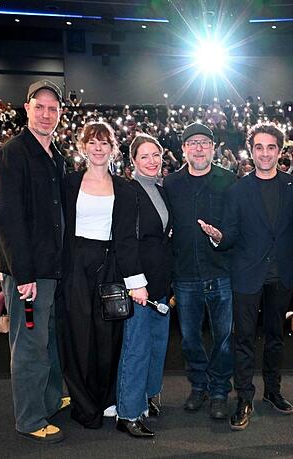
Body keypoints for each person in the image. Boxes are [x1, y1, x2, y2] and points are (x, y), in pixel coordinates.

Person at [198, 123, 293, 430]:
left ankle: (273, 391)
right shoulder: (237, 189)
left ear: (280, 151)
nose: (265, 153)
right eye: (259, 147)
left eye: (271, 147)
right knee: (243, 339)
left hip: (281, 274)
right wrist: (218, 237)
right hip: (246, 274)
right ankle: (244, 397)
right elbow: (230, 234)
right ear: (251, 150)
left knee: (276, 338)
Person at [0, 80, 69, 443]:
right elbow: (7, 217)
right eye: (39, 106)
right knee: (29, 346)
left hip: (52, 269)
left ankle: (51, 398)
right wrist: (22, 273)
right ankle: (30, 417)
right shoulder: (14, 152)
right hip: (29, 272)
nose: (46, 113)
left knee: (49, 339)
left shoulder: (57, 156)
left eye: (53, 108)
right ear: (26, 109)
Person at [59, 121, 146, 431]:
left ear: (113, 148)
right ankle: (84, 405)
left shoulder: (124, 188)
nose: (98, 148)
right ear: (83, 147)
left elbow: (126, 238)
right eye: (92, 143)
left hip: (109, 266)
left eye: (104, 143)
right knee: (77, 336)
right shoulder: (68, 183)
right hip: (74, 267)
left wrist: (136, 281)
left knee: (108, 337)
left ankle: (107, 398)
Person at [163, 122, 236, 421]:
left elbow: (235, 226)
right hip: (185, 274)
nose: (198, 148)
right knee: (190, 338)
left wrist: (222, 236)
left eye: (204, 142)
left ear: (213, 147)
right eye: (192, 143)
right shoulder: (170, 183)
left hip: (221, 271)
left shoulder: (229, 180)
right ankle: (199, 386)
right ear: (183, 149)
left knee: (223, 339)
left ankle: (219, 390)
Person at [115, 133, 172, 437]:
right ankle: (128, 412)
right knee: (136, 348)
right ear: (133, 161)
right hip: (139, 287)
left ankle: (146, 398)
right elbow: (124, 241)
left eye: (156, 155)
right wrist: (136, 283)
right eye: (144, 156)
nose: (152, 161)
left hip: (160, 283)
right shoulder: (128, 191)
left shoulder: (161, 189)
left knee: (157, 346)